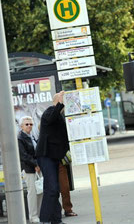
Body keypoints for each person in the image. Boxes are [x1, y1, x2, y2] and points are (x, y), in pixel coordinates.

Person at [36, 91, 69, 224]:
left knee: (53, 189)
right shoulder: (49, 112)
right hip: (45, 156)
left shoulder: (58, 116)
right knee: (52, 188)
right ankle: (44, 220)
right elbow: (51, 118)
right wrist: (59, 103)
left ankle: (56, 220)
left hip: (54, 157)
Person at [17, 116, 42, 223]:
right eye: (27, 124)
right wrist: (35, 164)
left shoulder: (32, 136)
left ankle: (40, 214)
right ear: (21, 126)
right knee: (32, 193)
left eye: (31, 124)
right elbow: (24, 156)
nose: (29, 126)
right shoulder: (20, 138)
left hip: (38, 168)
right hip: (29, 169)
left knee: (40, 191)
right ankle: (33, 216)